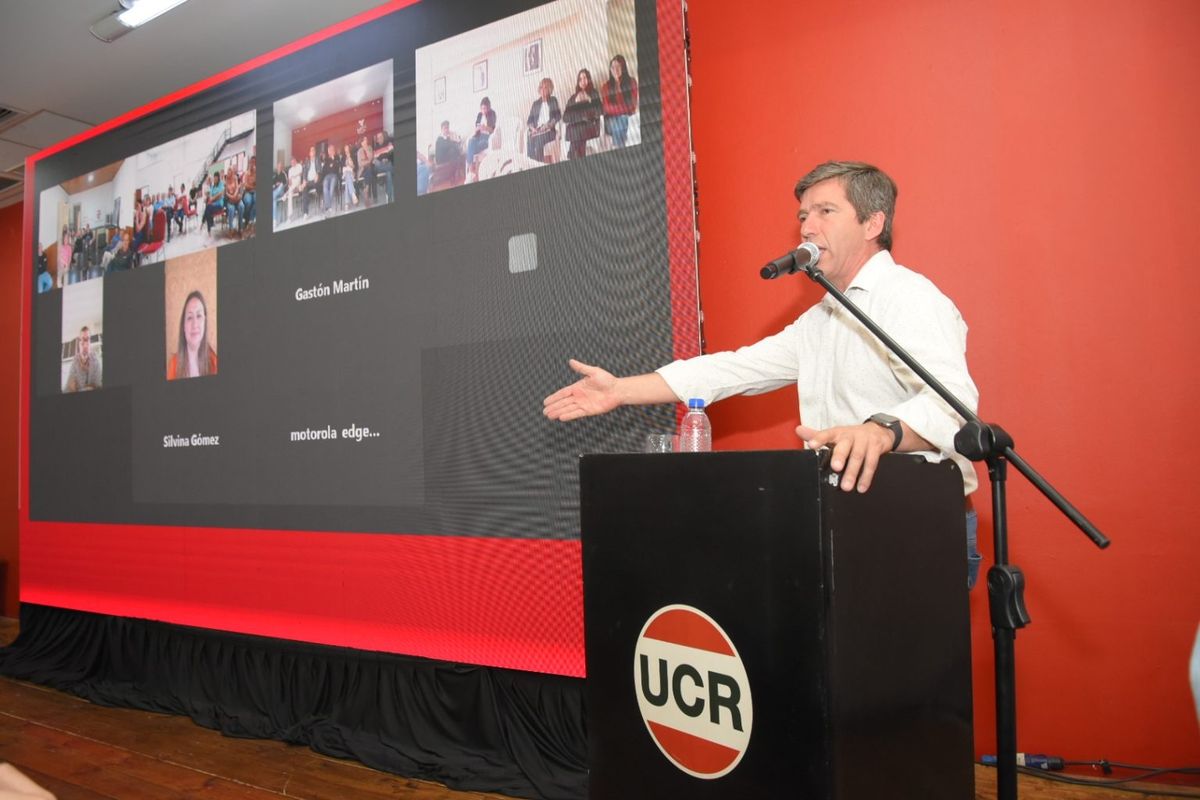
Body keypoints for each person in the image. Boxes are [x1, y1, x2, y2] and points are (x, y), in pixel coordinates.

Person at [543, 160, 983, 588]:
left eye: (825, 212)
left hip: (913, 525)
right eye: (803, 216)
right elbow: (731, 368)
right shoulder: (821, 320)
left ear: (872, 224)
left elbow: (954, 408)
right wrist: (621, 390)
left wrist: (881, 431)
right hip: (846, 520)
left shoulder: (909, 298)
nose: (807, 227)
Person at [167, 290, 218, 379]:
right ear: (183, 326)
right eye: (190, 317)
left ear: (205, 323)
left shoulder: (215, 363)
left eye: (199, 316)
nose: (195, 324)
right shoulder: (173, 365)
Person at [601, 54, 639, 149]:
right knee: (621, 119)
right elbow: (606, 108)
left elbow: (632, 106)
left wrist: (617, 109)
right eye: (613, 67)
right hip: (610, 120)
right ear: (610, 70)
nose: (615, 70)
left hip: (626, 118)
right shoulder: (606, 86)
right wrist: (624, 108)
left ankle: (617, 148)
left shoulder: (632, 82)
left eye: (618, 66)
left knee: (622, 119)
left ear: (623, 67)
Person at [563, 69, 601, 160]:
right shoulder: (573, 97)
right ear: (578, 82)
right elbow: (565, 118)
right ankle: (576, 154)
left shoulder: (594, 93)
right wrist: (575, 102)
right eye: (580, 79)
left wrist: (589, 99)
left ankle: (572, 153)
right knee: (578, 128)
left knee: (580, 129)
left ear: (589, 79)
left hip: (590, 126)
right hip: (576, 128)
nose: (583, 81)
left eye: (585, 78)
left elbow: (600, 110)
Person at [526, 78, 561, 163]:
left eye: (545, 87)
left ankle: (539, 166)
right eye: (541, 87)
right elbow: (529, 120)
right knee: (529, 140)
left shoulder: (553, 100)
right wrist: (532, 128)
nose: (543, 90)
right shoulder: (536, 104)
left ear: (549, 89)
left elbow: (558, 115)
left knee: (539, 141)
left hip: (549, 131)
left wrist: (548, 125)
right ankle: (531, 165)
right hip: (537, 130)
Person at [64, 326, 102, 392]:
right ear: (79, 343)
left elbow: (98, 385)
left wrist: (80, 388)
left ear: (90, 342)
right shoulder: (75, 361)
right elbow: (69, 387)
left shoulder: (96, 359)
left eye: (87, 339)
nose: (85, 345)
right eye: (82, 340)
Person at [465, 97, 496, 171]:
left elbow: (492, 130)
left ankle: (471, 170)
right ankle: (471, 167)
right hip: (478, 136)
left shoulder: (492, 114)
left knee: (473, 147)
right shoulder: (479, 115)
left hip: (488, 137)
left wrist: (485, 128)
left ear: (488, 108)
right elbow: (476, 127)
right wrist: (477, 129)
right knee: (471, 141)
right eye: (482, 108)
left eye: (485, 108)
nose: (483, 110)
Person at [373, 130, 395, 203]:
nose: (379, 139)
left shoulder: (388, 144)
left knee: (388, 173)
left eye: (381, 137)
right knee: (377, 163)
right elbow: (375, 159)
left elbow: (392, 154)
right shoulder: (376, 147)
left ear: (383, 137)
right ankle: (393, 169)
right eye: (378, 138)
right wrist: (381, 160)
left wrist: (387, 159)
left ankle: (389, 198)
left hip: (387, 164)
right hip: (379, 167)